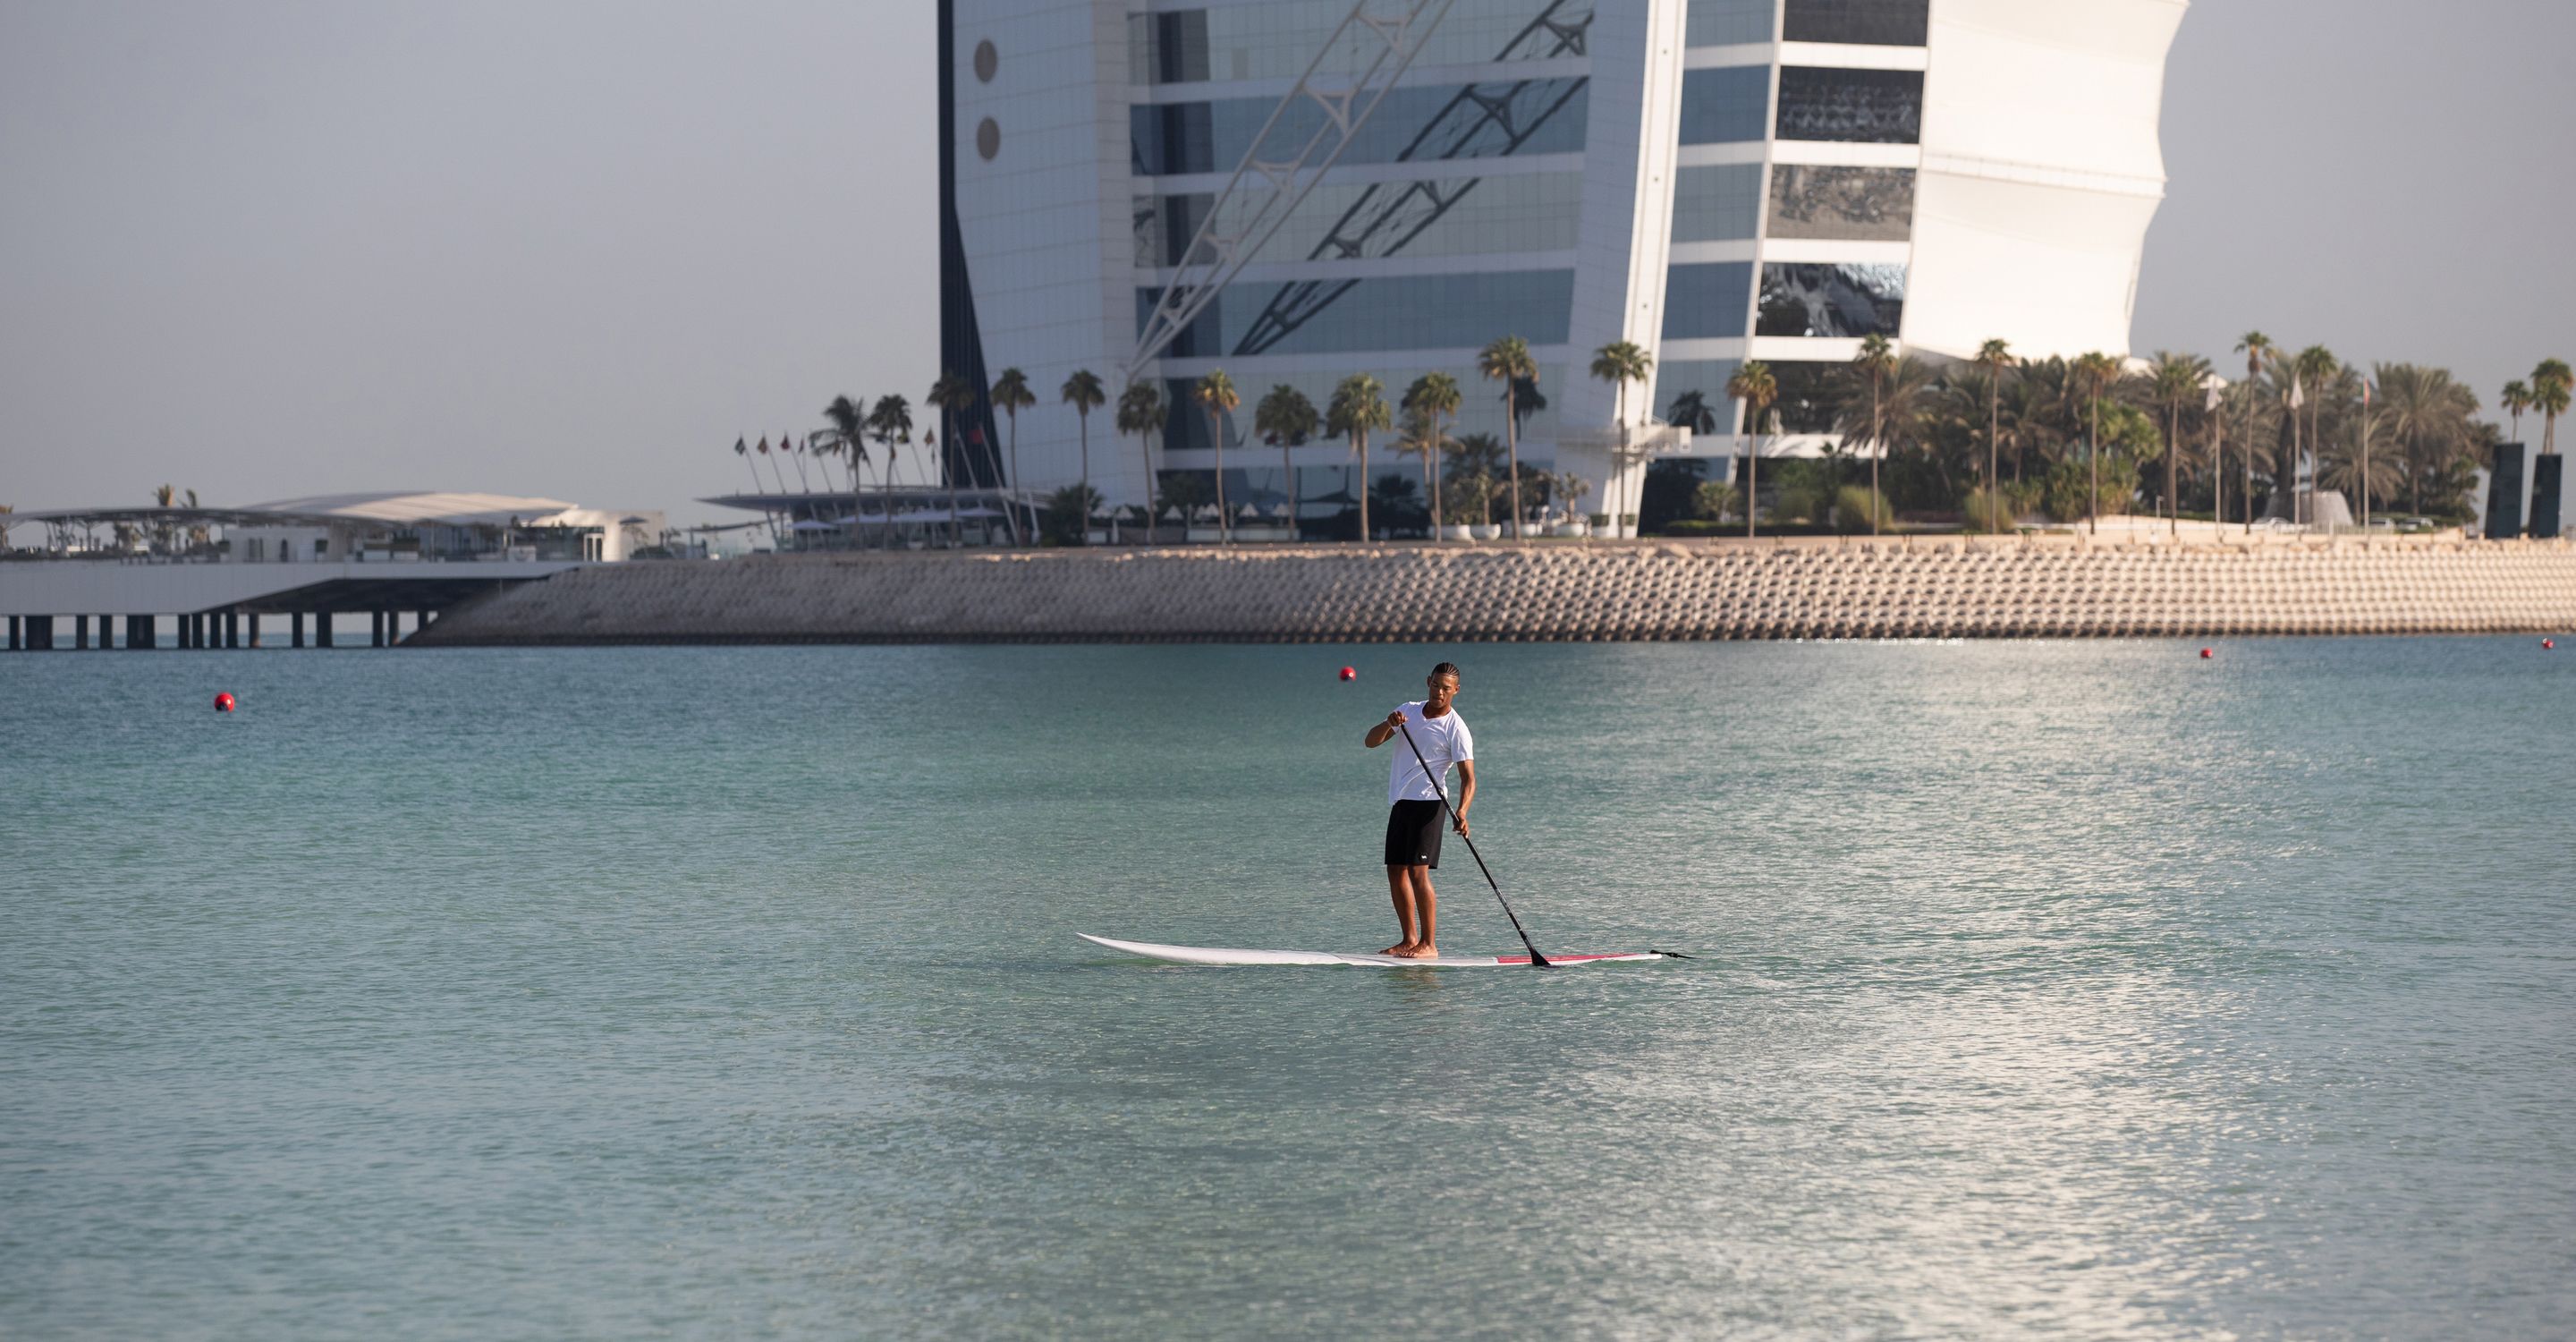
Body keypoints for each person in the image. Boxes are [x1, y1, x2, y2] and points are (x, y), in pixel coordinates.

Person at [1362, 662, 1473, 959]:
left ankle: (1429, 944)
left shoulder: (1456, 728)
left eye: (1446, 688)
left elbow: (1468, 778)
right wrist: (1389, 723)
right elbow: (1370, 742)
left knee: (1417, 872)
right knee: (1395, 871)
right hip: (1401, 801)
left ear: (1456, 691)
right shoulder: (1408, 711)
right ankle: (1409, 939)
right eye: (1435, 685)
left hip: (1430, 805)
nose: (1439, 692)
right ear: (1428, 682)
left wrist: (1462, 811)